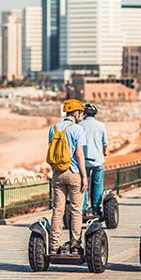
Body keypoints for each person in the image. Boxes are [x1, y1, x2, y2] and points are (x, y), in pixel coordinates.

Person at [48, 99, 88, 254]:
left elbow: (51, 151)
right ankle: (75, 245)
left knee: (58, 210)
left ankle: (54, 246)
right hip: (74, 173)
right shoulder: (78, 129)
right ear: (76, 113)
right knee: (76, 210)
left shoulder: (53, 128)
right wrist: (84, 176)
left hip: (58, 173)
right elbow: (79, 154)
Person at [79, 103, 108, 215]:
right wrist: (104, 153)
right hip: (98, 160)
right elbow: (105, 143)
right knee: (97, 184)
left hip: (84, 161)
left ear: (85, 113)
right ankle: (96, 209)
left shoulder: (80, 126)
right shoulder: (101, 125)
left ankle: (83, 209)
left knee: (83, 185)